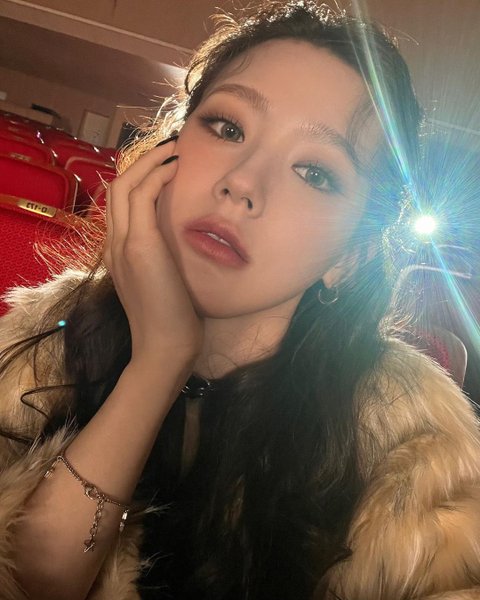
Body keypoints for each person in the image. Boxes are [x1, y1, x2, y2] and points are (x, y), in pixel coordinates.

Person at [1, 1, 480, 599]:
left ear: (350, 256)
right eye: (228, 128)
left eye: (315, 172)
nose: (243, 183)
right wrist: (160, 361)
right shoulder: (43, 338)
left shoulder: (418, 457)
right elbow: (32, 583)